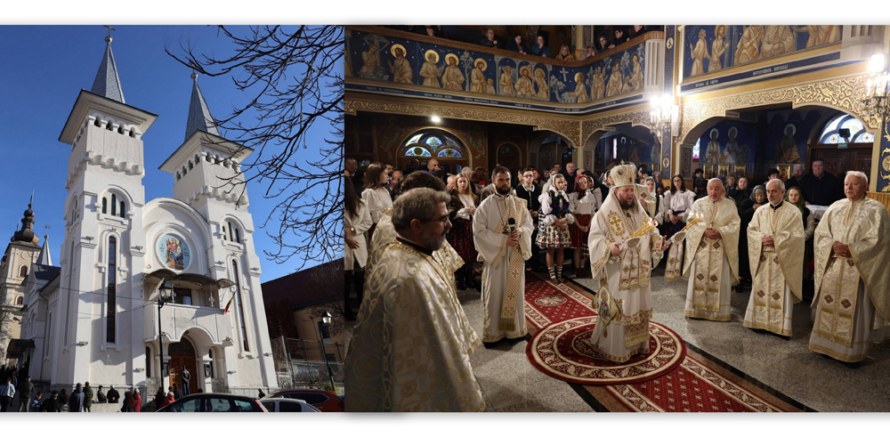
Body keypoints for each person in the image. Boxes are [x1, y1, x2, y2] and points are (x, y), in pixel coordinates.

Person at [346, 188, 484, 411]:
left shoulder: (407, 252)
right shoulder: (409, 279)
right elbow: (427, 354)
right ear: (416, 225)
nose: (449, 226)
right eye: (443, 220)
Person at [586, 163, 668, 363]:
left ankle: (638, 345)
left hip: (639, 272)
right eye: (626, 190)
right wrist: (609, 248)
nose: (630, 194)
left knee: (638, 304)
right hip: (617, 271)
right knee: (620, 307)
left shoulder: (639, 211)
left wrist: (658, 243)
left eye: (632, 190)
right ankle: (616, 348)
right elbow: (594, 239)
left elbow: (651, 230)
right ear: (616, 191)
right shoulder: (604, 214)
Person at [809, 171, 890, 363]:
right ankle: (824, 345)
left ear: (865, 187)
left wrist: (853, 249)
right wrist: (832, 245)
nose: (849, 188)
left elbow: (881, 242)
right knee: (828, 305)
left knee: (854, 311)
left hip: (858, 269)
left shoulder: (877, 210)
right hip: (834, 265)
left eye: (854, 184)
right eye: (847, 184)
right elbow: (820, 234)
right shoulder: (835, 207)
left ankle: (851, 354)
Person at [473, 167, 534, 346]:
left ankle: (516, 330)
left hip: (515, 255)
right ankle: (494, 334)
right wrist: (503, 240)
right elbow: (478, 232)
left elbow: (529, 225)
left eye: (507, 180)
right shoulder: (485, 205)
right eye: (501, 180)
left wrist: (521, 231)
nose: (505, 183)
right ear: (493, 181)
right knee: (495, 293)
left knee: (516, 294)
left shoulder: (520, 204)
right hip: (496, 258)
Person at [743, 179, 805, 337]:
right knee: (761, 289)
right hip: (763, 258)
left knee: (780, 293)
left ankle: (780, 327)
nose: (770, 195)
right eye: (768, 191)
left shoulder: (793, 212)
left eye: (774, 191)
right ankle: (758, 322)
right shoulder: (760, 211)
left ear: (783, 193)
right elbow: (751, 230)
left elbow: (797, 236)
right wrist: (760, 238)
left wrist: (776, 240)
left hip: (781, 260)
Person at [682, 179, 741, 322]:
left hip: (720, 249)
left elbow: (735, 225)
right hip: (701, 248)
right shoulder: (698, 204)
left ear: (722, 190)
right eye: (710, 188)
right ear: (707, 189)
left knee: (719, 279)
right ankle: (695, 310)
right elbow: (690, 223)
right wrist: (702, 231)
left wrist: (721, 231)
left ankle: (719, 313)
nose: (713, 192)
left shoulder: (730, 205)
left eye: (716, 189)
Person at [537, 174, 574, 283]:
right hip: (552, 225)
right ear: (553, 183)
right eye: (559, 182)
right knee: (551, 250)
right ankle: (552, 275)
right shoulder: (548, 195)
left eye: (563, 182)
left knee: (561, 250)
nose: (561, 184)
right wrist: (558, 222)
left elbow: (569, 210)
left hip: (562, 224)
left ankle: (559, 273)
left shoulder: (565, 195)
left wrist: (564, 220)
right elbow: (546, 212)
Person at [345, 179, 372, 321]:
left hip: (358, 243)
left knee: (360, 280)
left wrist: (353, 229)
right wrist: (345, 237)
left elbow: (367, 222)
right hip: (344, 246)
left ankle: (365, 310)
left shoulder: (361, 203)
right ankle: (348, 313)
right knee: (346, 280)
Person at [447, 173, 480, 291]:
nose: (462, 184)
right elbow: (450, 211)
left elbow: (478, 212)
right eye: (460, 182)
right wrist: (463, 210)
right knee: (460, 253)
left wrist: (474, 211)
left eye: (464, 181)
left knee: (470, 253)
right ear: (456, 183)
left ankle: (469, 278)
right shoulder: (453, 196)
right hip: (458, 227)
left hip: (470, 226)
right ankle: (460, 279)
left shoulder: (473, 197)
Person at [662, 174, 696, 281]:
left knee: (682, 242)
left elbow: (691, 208)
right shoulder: (668, 193)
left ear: (682, 181)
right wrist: (670, 214)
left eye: (679, 181)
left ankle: (680, 266)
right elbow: (666, 207)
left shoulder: (688, 194)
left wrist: (681, 216)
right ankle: (668, 265)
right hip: (672, 219)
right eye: (675, 181)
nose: (677, 183)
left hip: (682, 219)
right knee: (670, 240)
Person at [570, 175, 602, 278]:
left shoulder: (591, 196)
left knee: (585, 246)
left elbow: (593, 212)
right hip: (578, 222)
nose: (584, 184)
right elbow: (573, 213)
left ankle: (583, 267)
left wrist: (588, 225)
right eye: (581, 182)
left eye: (585, 182)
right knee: (578, 247)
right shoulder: (573, 196)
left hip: (588, 222)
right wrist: (579, 226)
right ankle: (577, 268)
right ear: (577, 183)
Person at [515, 168, 543, 272]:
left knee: (535, 242)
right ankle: (525, 262)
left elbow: (541, 203)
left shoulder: (537, 188)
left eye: (531, 176)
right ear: (522, 177)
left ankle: (535, 263)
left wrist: (537, 212)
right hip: (524, 220)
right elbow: (517, 206)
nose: (529, 178)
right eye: (526, 176)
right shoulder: (518, 190)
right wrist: (527, 213)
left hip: (535, 219)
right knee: (525, 241)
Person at [361, 162, 394, 242]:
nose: (388, 176)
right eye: (385, 173)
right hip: (378, 229)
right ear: (377, 175)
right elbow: (370, 215)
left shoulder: (385, 190)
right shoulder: (369, 192)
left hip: (389, 226)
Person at [786, 186, 815, 272]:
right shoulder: (782, 209)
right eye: (791, 195)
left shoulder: (806, 211)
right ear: (787, 196)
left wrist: (801, 238)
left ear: (800, 196)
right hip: (785, 241)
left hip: (801, 242)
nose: (793, 197)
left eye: (796, 195)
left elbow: (810, 228)